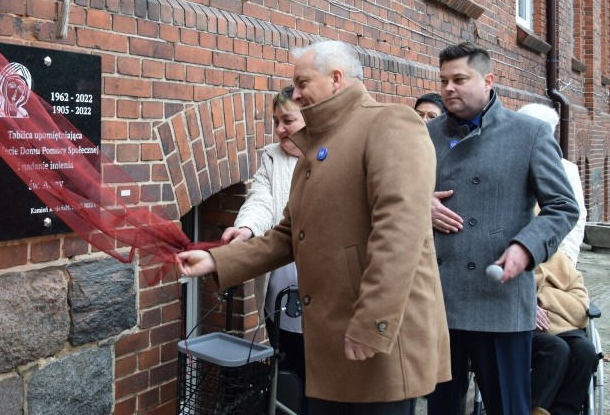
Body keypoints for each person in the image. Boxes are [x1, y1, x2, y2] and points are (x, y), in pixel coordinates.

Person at [178, 40, 450, 414]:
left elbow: (400, 233)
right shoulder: (317, 145)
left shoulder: (389, 122)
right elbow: (289, 234)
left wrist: (373, 324)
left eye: (303, 82)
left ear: (336, 78)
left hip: (372, 337)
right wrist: (216, 261)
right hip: (329, 340)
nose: (296, 93)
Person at [425, 42, 579, 415]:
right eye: (444, 80)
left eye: (459, 79)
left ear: (488, 80)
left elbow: (563, 207)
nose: (448, 88)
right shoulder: (426, 134)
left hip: (500, 299)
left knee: (509, 407)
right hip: (438, 297)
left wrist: (525, 248)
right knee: (440, 408)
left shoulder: (528, 134)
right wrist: (417, 203)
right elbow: (392, 193)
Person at [220, 85, 307, 396]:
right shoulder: (272, 158)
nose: (280, 129)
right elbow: (261, 201)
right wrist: (245, 229)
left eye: (288, 121)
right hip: (281, 286)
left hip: (324, 289)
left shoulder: (334, 157)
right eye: (276, 122)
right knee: (289, 365)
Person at [517, 103, 588, 264]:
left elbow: (576, 213)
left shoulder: (566, 169)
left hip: (551, 254)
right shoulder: (504, 162)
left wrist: (569, 254)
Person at [531, 250, 597, 415]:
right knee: (556, 348)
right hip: (524, 330)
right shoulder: (507, 255)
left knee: (586, 351)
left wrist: (545, 298)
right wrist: (527, 305)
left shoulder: (559, 258)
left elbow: (582, 309)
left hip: (566, 328)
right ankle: (530, 409)